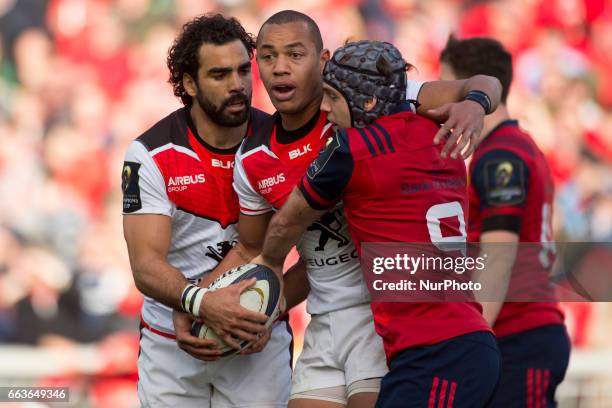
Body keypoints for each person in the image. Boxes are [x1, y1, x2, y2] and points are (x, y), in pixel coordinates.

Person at [174, 10, 503, 408]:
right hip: (323, 321)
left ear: (323, 61)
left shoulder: (368, 111)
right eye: (268, 56)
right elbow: (252, 251)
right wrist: (204, 301)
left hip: (378, 322)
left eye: (296, 55)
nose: (280, 68)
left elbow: (481, 84)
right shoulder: (254, 159)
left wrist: (475, 103)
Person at [121, 14, 292, 407]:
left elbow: (315, 258)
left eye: (242, 71)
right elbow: (145, 264)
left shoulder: (279, 142)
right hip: (173, 341)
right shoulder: (150, 154)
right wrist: (200, 304)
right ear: (189, 83)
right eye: (219, 75)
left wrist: (271, 309)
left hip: (255, 341)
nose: (237, 85)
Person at [439, 35, 570, 408]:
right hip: (522, 331)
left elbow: (498, 257)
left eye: (447, 85)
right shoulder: (516, 146)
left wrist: (472, 341)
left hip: (517, 333)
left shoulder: (501, 157)